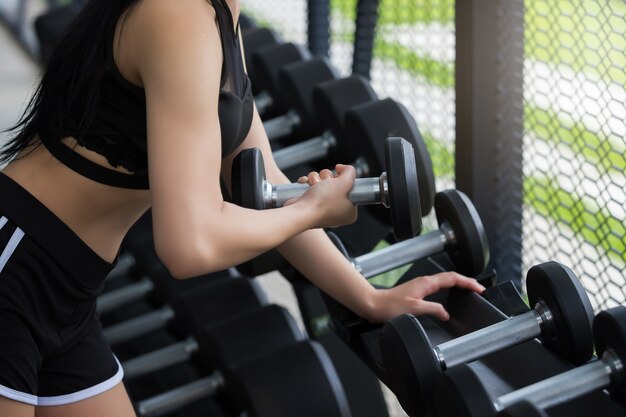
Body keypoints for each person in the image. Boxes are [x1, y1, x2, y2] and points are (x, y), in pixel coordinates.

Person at [0, 0, 485, 416]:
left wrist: (370, 297)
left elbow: (265, 180)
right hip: (14, 269)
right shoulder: (179, 15)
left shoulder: (218, 14)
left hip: (67, 294)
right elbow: (189, 243)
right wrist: (314, 210)